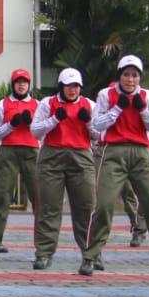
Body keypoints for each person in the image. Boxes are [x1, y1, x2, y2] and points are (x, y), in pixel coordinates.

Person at [86, 54, 149, 276]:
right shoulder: (107, 95)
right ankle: (92, 255)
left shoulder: (148, 97)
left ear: (139, 78)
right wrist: (117, 110)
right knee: (104, 205)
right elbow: (97, 124)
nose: (130, 79)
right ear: (120, 76)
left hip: (142, 153)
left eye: (134, 75)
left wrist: (142, 110)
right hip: (113, 151)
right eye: (126, 74)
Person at [29, 68, 98, 269]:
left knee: (85, 206)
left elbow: (98, 135)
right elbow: (35, 130)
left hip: (81, 156)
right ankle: (44, 252)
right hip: (52, 156)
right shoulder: (47, 103)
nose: (72, 90)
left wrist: (89, 122)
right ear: (61, 86)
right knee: (49, 207)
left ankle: (90, 253)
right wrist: (54, 119)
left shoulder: (89, 105)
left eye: (76, 86)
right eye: (68, 86)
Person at [0, 69, 39, 259]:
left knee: (38, 197)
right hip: (8, 150)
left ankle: (43, 244)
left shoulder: (37, 104)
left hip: (31, 151)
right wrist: (11, 124)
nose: (21, 85)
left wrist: (32, 123)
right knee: (1, 196)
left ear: (29, 84)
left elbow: (42, 132)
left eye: (24, 82)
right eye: (18, 82)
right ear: (13, 84)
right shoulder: (3, 104)